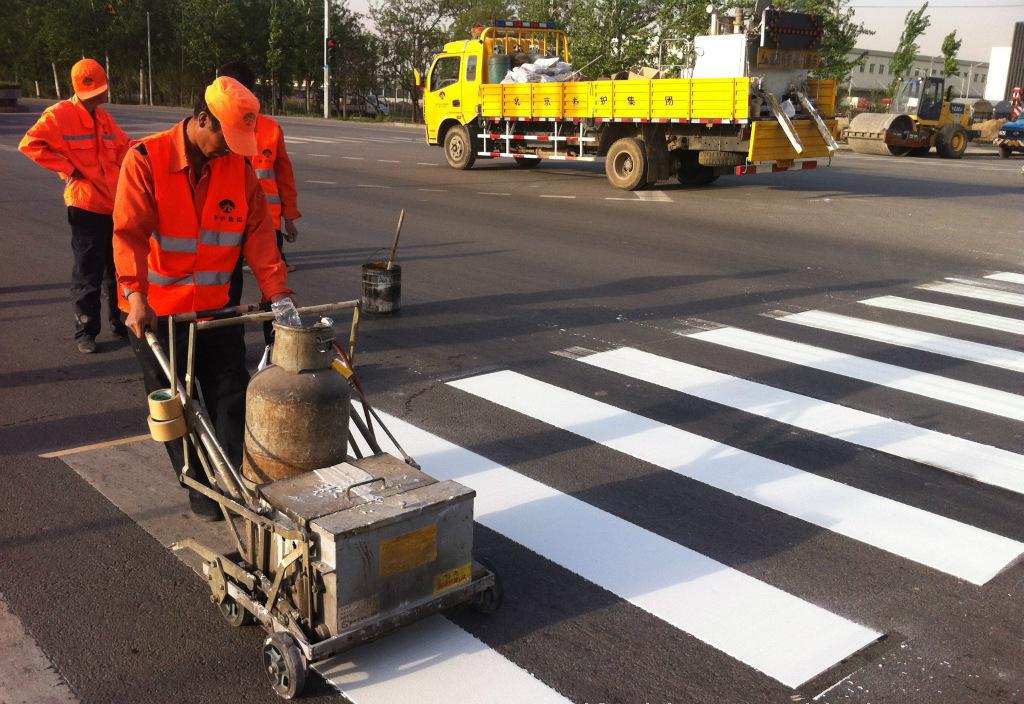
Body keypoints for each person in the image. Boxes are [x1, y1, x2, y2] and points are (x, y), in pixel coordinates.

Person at [113, 76, 294, 520]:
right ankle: (196, 483)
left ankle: (237, 480)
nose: (229, 149)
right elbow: (129, 234)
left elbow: (260, 238)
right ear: (200, 120)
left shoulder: (238, 170)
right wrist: (135, 295)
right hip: (157, 316)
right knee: (174, 405)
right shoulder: (145, 160)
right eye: (224, 138)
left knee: (231, 396)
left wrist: (279, 295)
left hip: (214, 312)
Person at [19, 58, 131, 353]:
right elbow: (30, 144)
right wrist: (69, 169)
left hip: (113, 204)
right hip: (85, 206)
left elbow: (125, 147)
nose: (106, 94)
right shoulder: (59, 115)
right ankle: (86, 330)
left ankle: (121, 323)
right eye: (102, 89)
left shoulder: (104, 119)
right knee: (88, 272)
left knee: (118, 270)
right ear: (87, 90)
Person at [217, 60, 301, 283]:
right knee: (228, 286)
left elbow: (284, 176)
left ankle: (271, 318)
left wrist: (289, 216)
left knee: (273, 283)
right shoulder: (213, 130)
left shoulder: (271, 129)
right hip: (226, 221)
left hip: (267, 222)